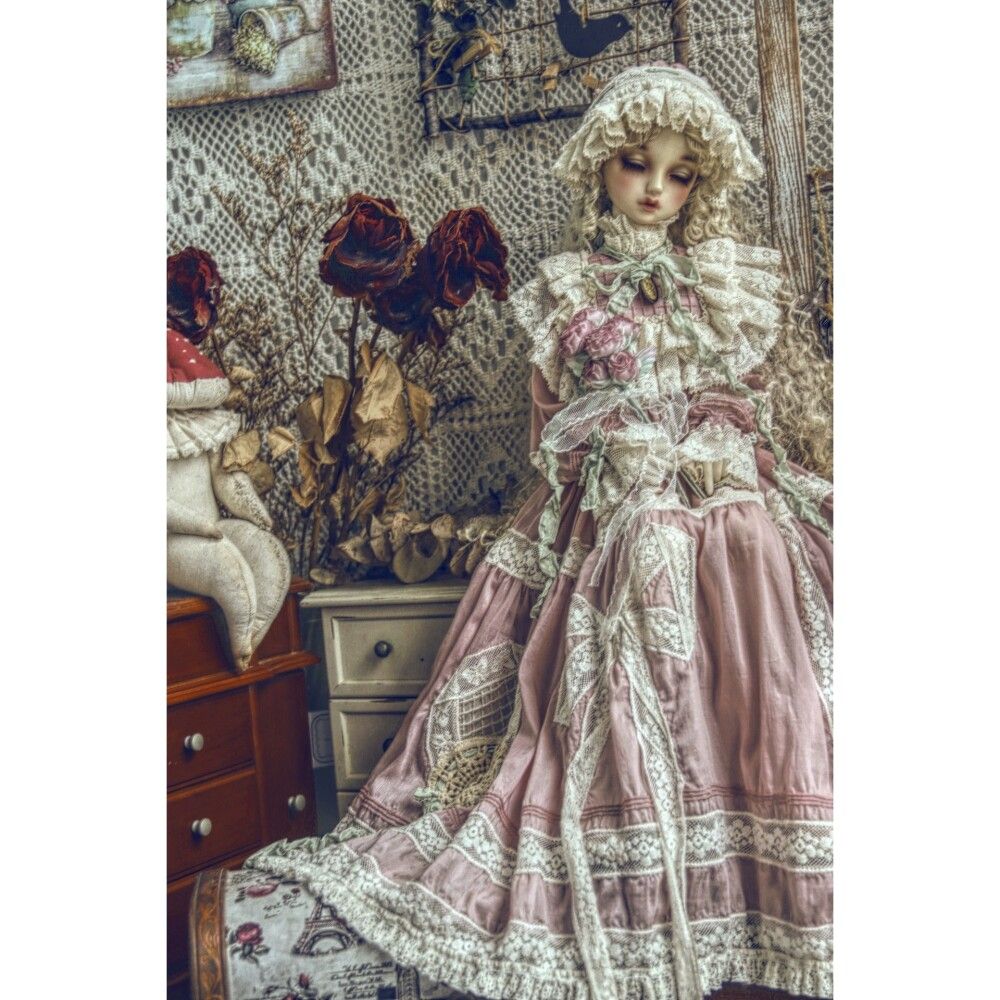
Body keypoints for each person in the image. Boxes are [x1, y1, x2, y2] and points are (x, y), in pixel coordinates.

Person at [244, 63, 834, 1000]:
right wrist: (621, 454)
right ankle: (645, 830)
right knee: (646, 541)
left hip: (714, 481)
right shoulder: (572, 291)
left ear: (701, 185)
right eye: (637, 164)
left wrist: (713, 448)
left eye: (679, 173)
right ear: (603, 166)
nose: (655, 189)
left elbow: (740, 401)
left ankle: (756, 840)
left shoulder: (722, 280)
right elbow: (553, 430)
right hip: (615, 491)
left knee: (749, 537)